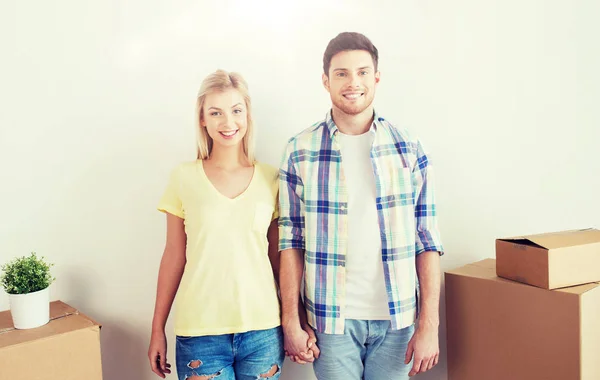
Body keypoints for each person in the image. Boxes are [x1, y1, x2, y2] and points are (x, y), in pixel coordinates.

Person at [278, 32, 445, 379]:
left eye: (362, 72)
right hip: (330, 321)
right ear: (325, 81)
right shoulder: (299, 149)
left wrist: (430, 323)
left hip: (398, 321)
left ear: (376, 78)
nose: (353, 82)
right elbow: (290, 242)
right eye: (341, 73)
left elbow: (427, 239)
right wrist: (291, 321)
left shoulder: (408, 147)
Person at [148, 69, 284, 380]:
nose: (228, 122)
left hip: (262, 331)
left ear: (247, 114)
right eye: (216, 113)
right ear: (202, 119)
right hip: (200, 335)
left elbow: (279, 259)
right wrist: (157, 328)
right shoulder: (183, 177)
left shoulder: (271, 179)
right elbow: (173, 256)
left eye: (236, 110)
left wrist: (296, 318)